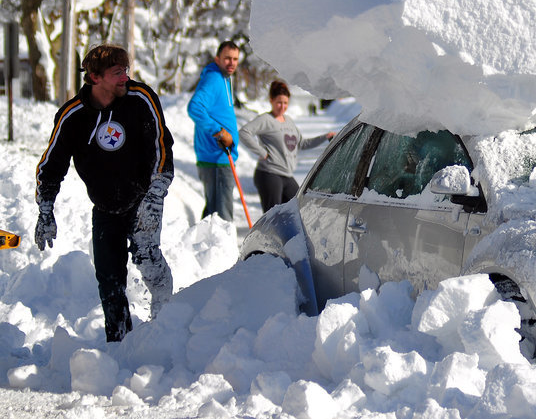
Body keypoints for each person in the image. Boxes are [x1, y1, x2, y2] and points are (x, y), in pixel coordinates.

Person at [34, 44, 174, 342]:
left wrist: (155, 194)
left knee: (149, 262)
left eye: (126, 70)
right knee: (109, 281)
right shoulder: (73, 115)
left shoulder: (141, 98)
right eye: (117, 72)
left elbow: (163, 148)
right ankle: (120, 344)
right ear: (95, 77)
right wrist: (45, 208)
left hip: (143, 201)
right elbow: (51, 164)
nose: (125, 77)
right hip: (105, 208)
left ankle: (166, 327)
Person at [239, 80, 335, 212]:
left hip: (286, 175)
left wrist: (324, 137)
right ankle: (268, 234)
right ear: (271, 100)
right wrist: (262, 152)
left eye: (285, 103)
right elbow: (244, 132)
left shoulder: (289, 121)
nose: (282, 106)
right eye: (279, 102)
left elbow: (301, 143)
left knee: (298, 208)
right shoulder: (266, 120)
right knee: (273, 216)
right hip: (269, 174)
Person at [187, 41, 240, 221]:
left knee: (214, 212)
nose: (231, 63)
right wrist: (218, 132)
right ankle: (222, 248)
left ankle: (209, 247)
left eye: (235, 59)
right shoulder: (214, 78)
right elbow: (194, 107)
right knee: (222, 215)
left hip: (221, 156)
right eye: (227, 58)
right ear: (217, 59)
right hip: (216, 157)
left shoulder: (224, 78)